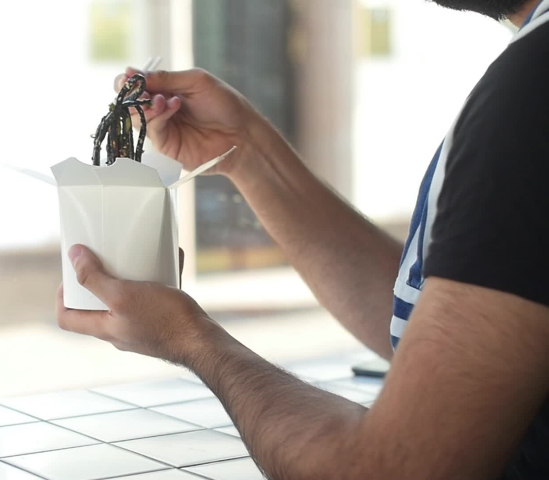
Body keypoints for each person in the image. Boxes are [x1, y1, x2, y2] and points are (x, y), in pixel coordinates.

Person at [56, 0, 549, 478]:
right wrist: (246, 150)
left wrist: (188, 338)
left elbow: (386, 470)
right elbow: (450, 333)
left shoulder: (531, 90)